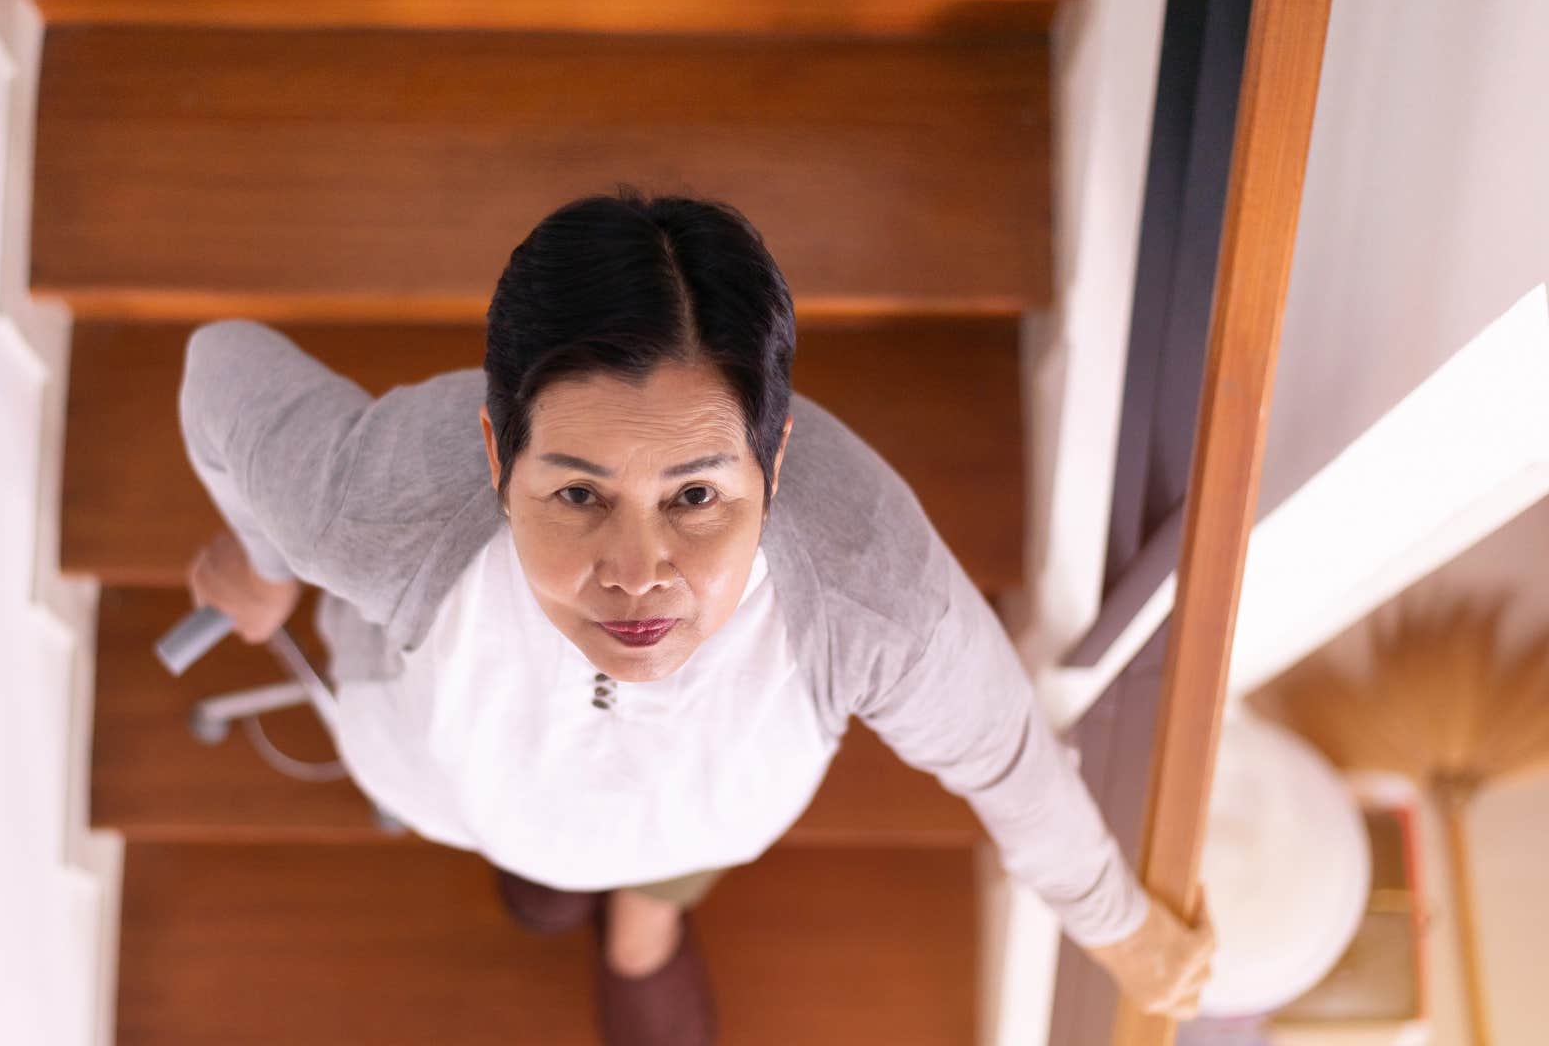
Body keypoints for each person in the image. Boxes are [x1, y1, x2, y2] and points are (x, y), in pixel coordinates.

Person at [181, 187, 1213, 1045]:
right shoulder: (386, 507)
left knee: (610, 919)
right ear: (498, 458)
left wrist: (1118, 925)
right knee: (539, 893)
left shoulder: (867, 583)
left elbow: (1001, 756)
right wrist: (267, 554)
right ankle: (590, 901)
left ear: (774, 460)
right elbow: (218, 367)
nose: (637, 579)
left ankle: (643, 924)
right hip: (474, 775)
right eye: (578, 494)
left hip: (709, 801)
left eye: (696, 497)